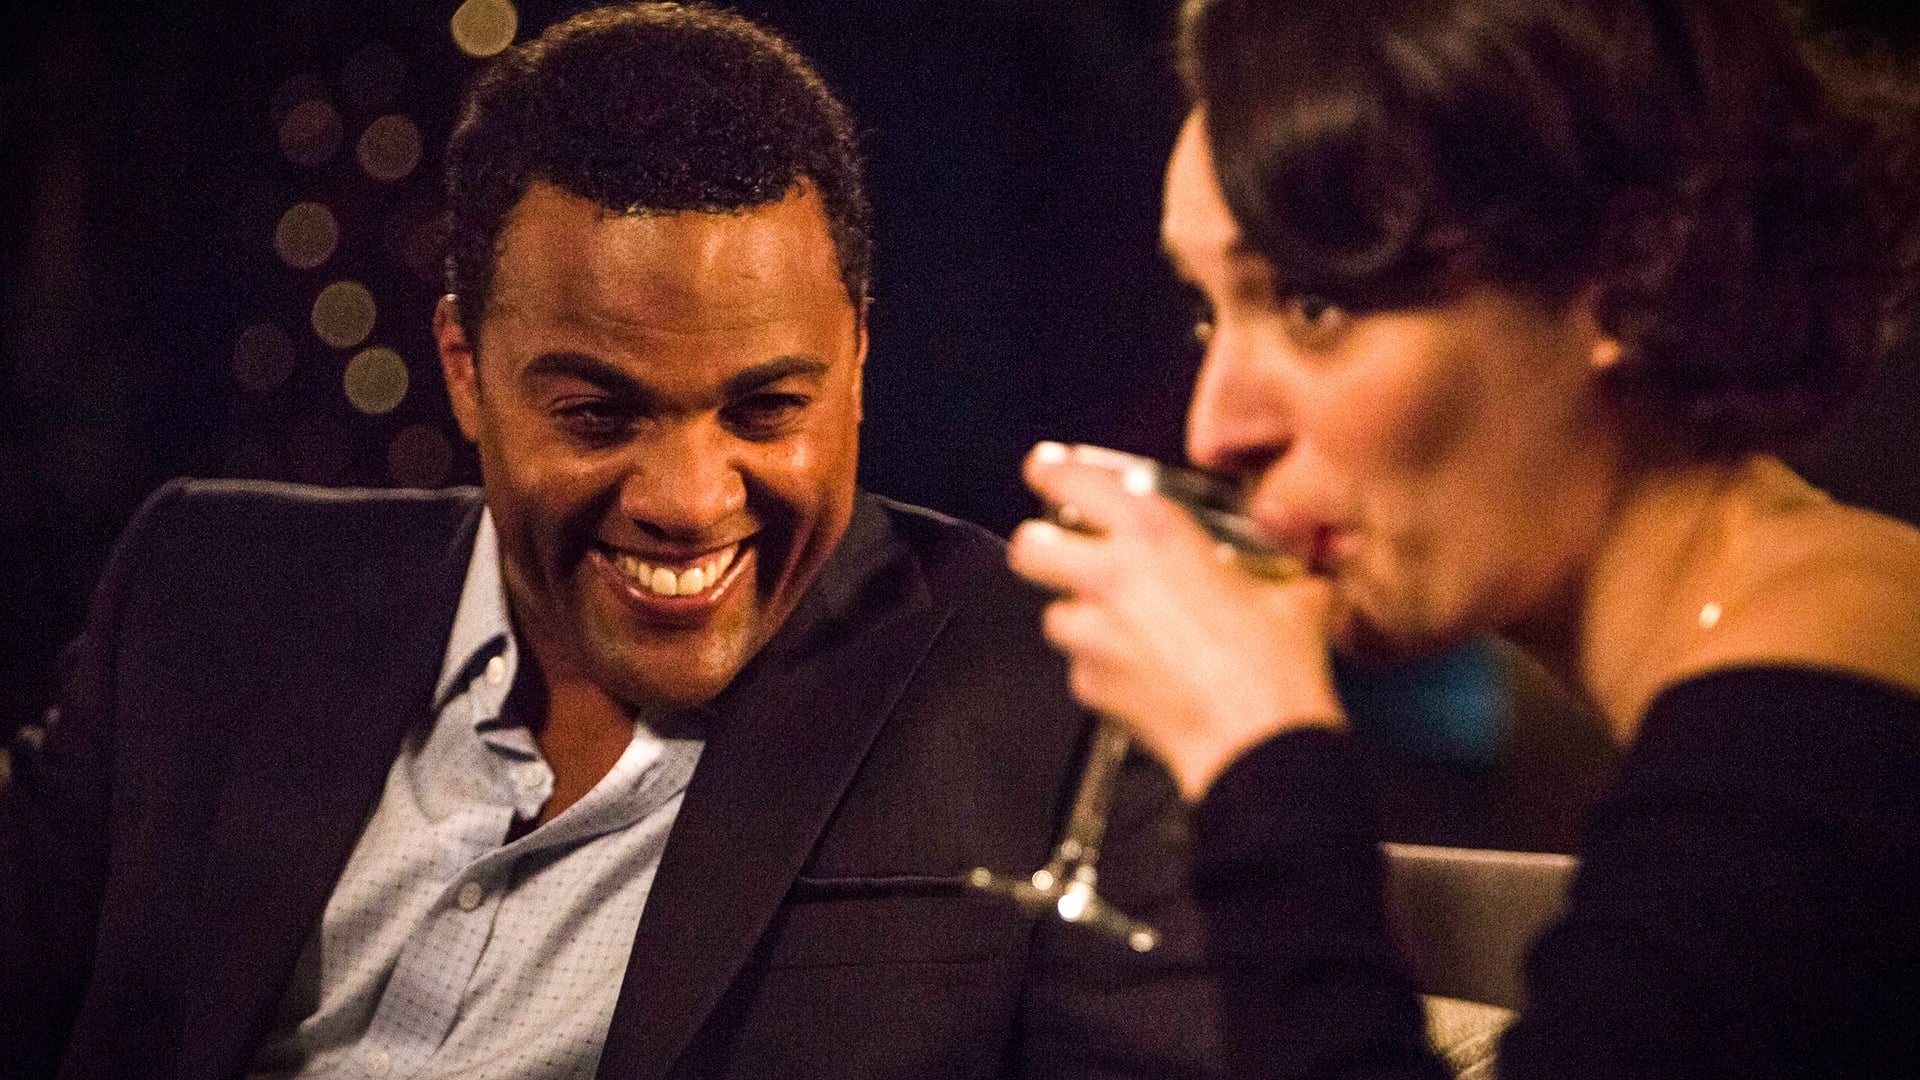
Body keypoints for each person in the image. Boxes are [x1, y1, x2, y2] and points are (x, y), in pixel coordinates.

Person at [0, 5, 1222, 1079]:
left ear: (856, 359)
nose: (688, 499)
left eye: (765, 411)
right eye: (598, 416)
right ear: (464, 369)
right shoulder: (201, 596)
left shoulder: (1062, 692)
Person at [1010, 0, 1920, 1075]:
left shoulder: (1805, 753)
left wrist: (1260, 760)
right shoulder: (1815, 639)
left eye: (1311, 306)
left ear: (1622, 275)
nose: (1217, 430)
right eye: (1209, 313)